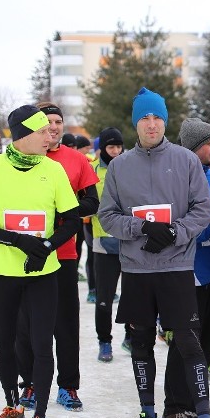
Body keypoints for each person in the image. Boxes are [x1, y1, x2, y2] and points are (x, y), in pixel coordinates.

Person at [98, 87, 210, 418]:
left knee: (187, 340)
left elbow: (201, 209)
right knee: (140, 342)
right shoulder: (120, 167)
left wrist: (173, 233)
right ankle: (148, 414)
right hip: (137, 270)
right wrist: (142, 229)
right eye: (144, 118)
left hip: (176, 266)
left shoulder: (185, 160)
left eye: (157, 118)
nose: (151, 124)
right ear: (136, 122)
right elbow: (107, 216)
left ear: (164, 121)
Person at [0, 105, 81, 418]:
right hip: (3, 272)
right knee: (3, 342)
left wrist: (44, 247)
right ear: (24, 135)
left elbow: (72, 220)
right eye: (43, 131)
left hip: (43, 273)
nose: (51, 136)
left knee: (43, 343)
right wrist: (20, 242)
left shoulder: (54, 170)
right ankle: (13, 405)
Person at [15, 102, 99, 413]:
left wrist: (64, 211)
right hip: (26, 254)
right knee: (28, 323)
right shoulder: (22, 161)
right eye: (47, 121)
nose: (53, 126)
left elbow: (93, 202)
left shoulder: (77, 160)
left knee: (65, 322)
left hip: (63, 254)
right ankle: (32, 382)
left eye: (58, 121)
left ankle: (68, 386)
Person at [160, 118, 210, 418]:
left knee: (208, 337)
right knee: (186, 341)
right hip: (191, 270)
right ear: (191, 147)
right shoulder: (181, 178)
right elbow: (179, 225)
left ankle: (196, 401)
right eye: (207, 143)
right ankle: (175, 406)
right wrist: (209, 229)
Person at [91, 127, 127, 362]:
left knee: (133, 295)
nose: (115, 151)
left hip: (130, 241)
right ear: (102, 148)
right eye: (110, 147)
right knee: (105, 297)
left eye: (118, 147)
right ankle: (105, 341)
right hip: (103, 242)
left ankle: (131, 338)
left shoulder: (129, 167)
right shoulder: (92, 170)